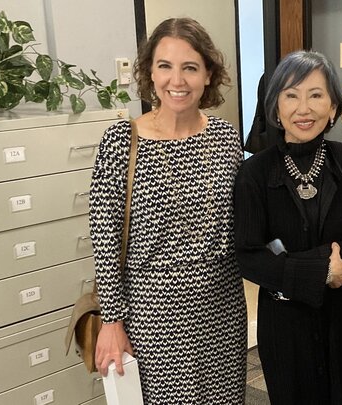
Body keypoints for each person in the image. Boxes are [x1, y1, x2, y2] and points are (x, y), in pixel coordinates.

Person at [89, 17, 246, 404]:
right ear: (150, 73)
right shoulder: (121, 141)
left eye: (190, 67)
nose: (177, 80)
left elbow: (245, 220)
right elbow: (104, 236)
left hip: (221, 306)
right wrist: (112, 320)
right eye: (165, 66)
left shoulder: (225, 138)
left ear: (208, 74)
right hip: (151, 315)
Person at [234, 50, 342, 404]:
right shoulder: (254, 173)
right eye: (291, 95)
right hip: (284, 321)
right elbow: (249, 255)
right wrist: (323, 269)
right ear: (275, 107)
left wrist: (303, 263)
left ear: (333, 107)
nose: (303, 108)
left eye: (316, 95)